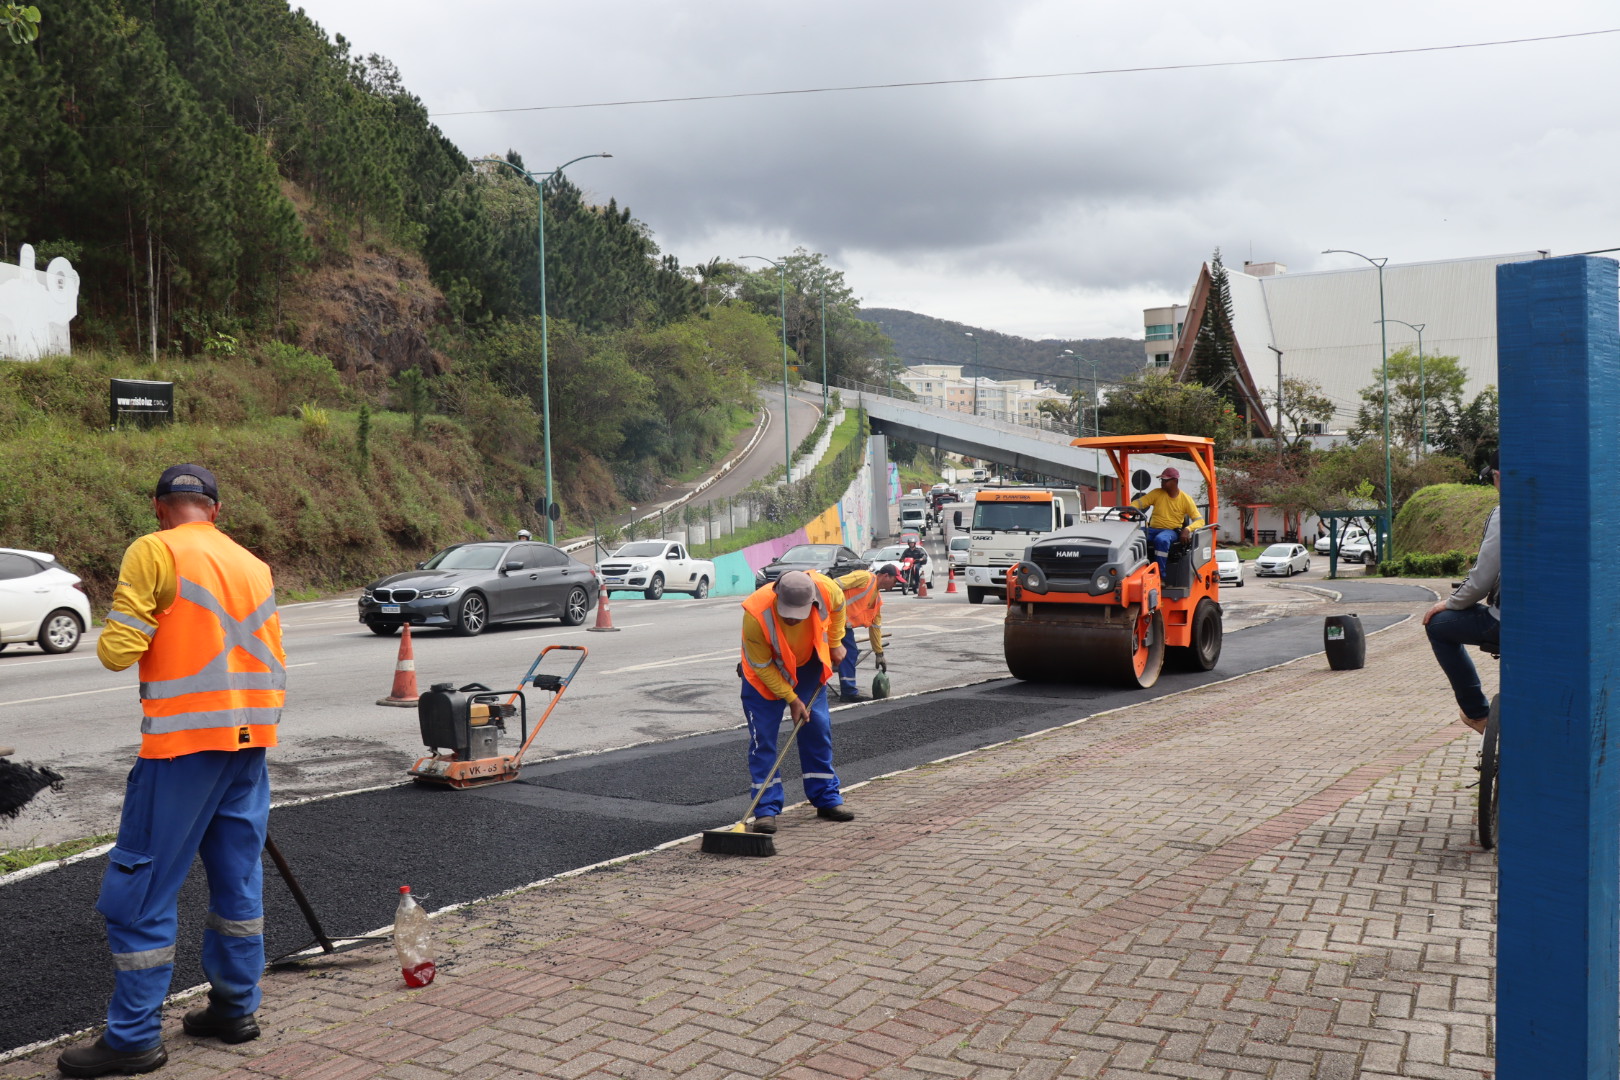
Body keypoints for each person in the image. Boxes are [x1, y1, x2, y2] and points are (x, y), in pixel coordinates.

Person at [58, 465, 286, 1078]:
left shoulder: (152, 550)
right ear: (214, 509)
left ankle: (133, 1039)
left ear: (162, 508)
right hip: (249, 746)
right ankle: (235, 1010)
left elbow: (117, 652)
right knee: (238, 883)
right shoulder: (252, 564)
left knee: (141, 888)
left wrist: (147, 615)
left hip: (182, 751)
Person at [738, 569, 854, 834]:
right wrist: (792, 699)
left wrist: (835, 642)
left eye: (798, 613)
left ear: (812, 601)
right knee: (763, 739)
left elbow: (838, 608)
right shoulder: (756, 613)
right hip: (764, 674)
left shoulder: (827, 589)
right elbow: (762, 665)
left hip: (808, 666)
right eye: (787, 612)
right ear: (776, 596)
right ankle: (765, 809)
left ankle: (826, 798)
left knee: (817, 729)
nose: (792, 619)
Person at [1423, 453, 1500, 734]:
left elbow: (1481, 579)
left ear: (1499, 477)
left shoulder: (1505, 514)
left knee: (1438, 625)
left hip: (1508, 622)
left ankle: (1477, 713)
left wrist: (1451, 603)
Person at [833, 563, 899, 702]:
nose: (894, 585)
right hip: (831, 620)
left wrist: (879, 653)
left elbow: (875, 628)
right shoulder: (864, 577)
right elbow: (833, 585)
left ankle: (845, 690)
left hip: (843, 626)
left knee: (848, 653)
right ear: (886, 576)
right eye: (895, 580)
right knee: (849, 653)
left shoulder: (876, 600)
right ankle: (848, 692)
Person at [1131, 467, 1205, 578]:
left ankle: (1160, 575)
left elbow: (1200, 520)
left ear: (1175, 481)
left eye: (1165, 480)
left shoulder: (1186, 499)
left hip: (1170, 531)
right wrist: (1131, 507)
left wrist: (1187, 529)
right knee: (1132, 536)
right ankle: (1134, 572)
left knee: (1161, 540)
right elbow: (1140, 503)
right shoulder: (1157, 493)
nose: (1162, 483)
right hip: (1151, 529)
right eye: (1162, 480)